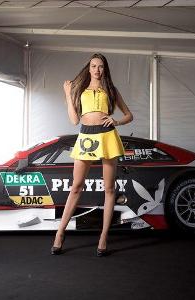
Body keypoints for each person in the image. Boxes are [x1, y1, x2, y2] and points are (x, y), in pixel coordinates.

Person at [51, 53, 133, 257]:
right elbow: (73, 121)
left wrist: (117, 122)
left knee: (109, 189)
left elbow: (129, 115)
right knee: (76, 187)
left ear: (105, 69)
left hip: (107, 136)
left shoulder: (111, 90)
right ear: (89, 68)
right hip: (86, 136)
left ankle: (104, 237)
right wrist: (68, 94)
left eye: (101, 66)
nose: (97, 69)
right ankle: (60, 234)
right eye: (94, 66)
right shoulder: (79, 90)